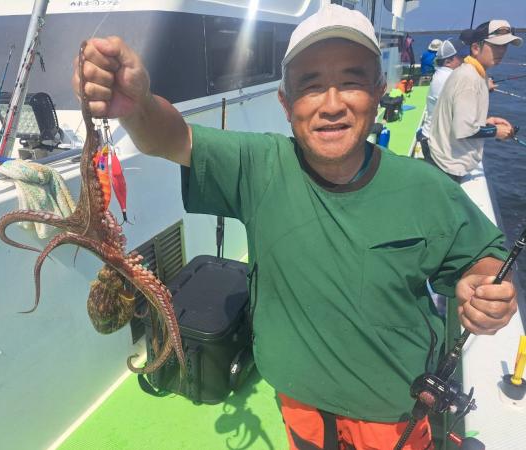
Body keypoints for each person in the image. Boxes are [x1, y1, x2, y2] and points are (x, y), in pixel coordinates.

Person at [73, 5, 518, 449]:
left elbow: (483, 259)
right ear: (286, 104)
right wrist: (138, 106)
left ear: (378, 90)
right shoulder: (261, 166)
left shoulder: (425, 188)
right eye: (310, 85)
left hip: (394, 414)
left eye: (351, 81)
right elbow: (173, 138)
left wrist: (486, 293)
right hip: (299, 404)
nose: (332, 104)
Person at [427, 20, 521, 182]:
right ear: (476, 48)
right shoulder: (469, 79)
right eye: (496, 45)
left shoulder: (475, 72)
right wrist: (495, 131)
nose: (502, 51)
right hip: (448, 166)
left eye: (505, 46)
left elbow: (461, 118)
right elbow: (464, 130)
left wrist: (486, 122)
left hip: (446, 158)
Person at [417, 38, 468, 160]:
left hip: (430, 137)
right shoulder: (450, 78)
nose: (465, 60)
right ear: (448, 61)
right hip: (435, 142)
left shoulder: (441, 74)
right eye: (461, 57)